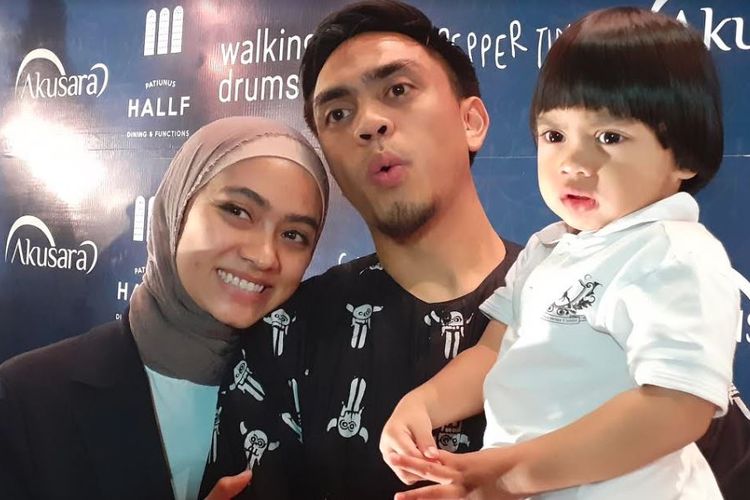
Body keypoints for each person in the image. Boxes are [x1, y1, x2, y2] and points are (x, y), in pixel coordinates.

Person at [380, 7, 740, 499]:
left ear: (685, 155)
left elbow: (676, 406)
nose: (572, 162)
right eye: (554, 136)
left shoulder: (673, 252)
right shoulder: (547, 250)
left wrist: (509, 475)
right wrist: (422, 405)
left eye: (609, 137)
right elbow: (493, 351)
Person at [204, 1, 520, 499]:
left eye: (398, 90)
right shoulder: (284, 337)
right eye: (338, 113)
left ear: (472, 121)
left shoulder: (581, 294)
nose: (368, 123)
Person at [0, 116, 329, 500]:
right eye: (237, 211)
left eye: (294, 235)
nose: (264, 256)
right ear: (177, 209)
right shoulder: (26, 398)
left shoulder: (308, 403)